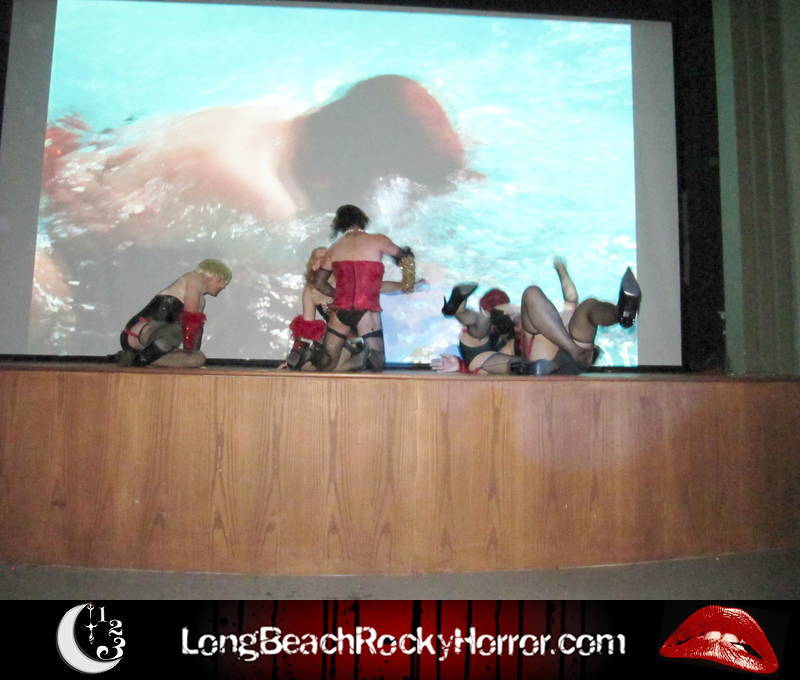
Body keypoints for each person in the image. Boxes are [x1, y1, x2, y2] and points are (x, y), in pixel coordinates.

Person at [433, 260, 640, 375]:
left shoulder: (493, 331)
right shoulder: (516, 324)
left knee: (586, 306)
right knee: (583, 306)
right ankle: (619, 316)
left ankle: (623, 314)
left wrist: (460, 366)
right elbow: (571, 300)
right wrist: (561, 270)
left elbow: (478, 336)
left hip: (551, 359)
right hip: (550, 360)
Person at [284, 245, 423, 370]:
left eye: (326, 257)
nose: (323, 260)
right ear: (313, 266)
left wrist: (407, 285)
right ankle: (359, 361)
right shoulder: (311, 292)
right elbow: (307, 328)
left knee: (333, 367)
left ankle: (361, 357)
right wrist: (297, 354)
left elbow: (379, 286)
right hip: (332, 341)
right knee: (307, 368)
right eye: (318, 258)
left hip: (355, 340)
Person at [311, 205, 414, 372]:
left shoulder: (334, 248)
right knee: (377, 363)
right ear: (362, 219)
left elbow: (319, 284)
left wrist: (338, 294)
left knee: (327, 361)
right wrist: (408, 283)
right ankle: (364, 357)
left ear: (339, 223)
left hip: (341, 310)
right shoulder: (378, 240)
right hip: (367, 309)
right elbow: (406, 258)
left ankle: (314, 359)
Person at [117, 259, 231, 367]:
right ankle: (140, 359)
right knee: (177, 330)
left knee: (198, 358)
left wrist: (191, 353)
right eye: (221, 281)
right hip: (136, 336)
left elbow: (193, 334)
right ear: (211, 275)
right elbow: (190, 319)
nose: (223, 286)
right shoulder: (195, 278)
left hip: (151, 345)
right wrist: (189, 349)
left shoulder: (201, 300)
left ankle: (135, 358)